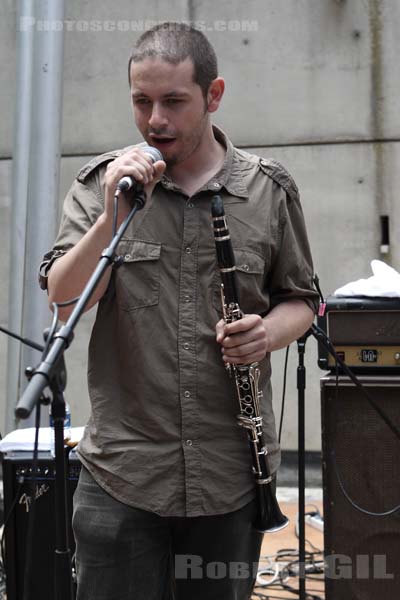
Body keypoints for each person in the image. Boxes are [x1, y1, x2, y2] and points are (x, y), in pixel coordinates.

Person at [39, 22, 318, 600]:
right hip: (123, 471)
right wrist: (115, 215)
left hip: (231, 473)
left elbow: (305, 300)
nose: (154, 120)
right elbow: (65, 299)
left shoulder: (268, 190)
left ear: (213, 96)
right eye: (141, 101)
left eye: (173, 102)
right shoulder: (100, 186)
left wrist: (265, 334)